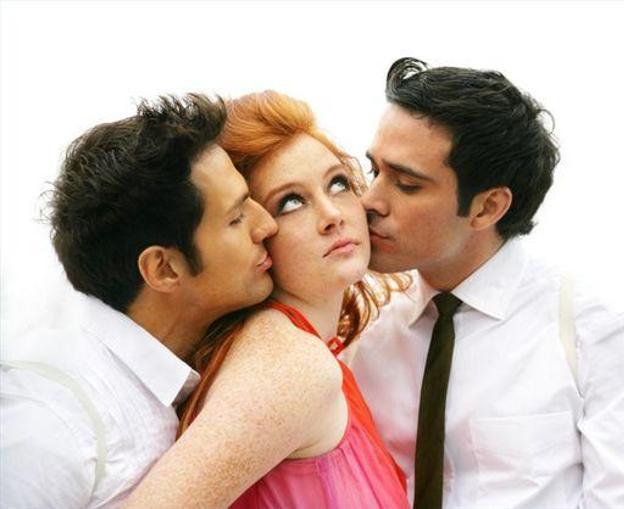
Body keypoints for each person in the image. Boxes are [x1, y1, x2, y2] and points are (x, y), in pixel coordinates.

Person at [350, 57, 624, 509]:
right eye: (374, 171)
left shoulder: (603, 336)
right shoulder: (367, 338)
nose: (369, 201)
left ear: (487, 207)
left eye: (406, 184)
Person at [124, 91, 410, 509]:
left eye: (338, 183)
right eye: (291, 202)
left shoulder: (304, 352)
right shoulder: (291, 365)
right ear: (253, 232)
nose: (332, 214)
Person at [0, 94, 278, 508]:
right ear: (163, 269)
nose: (267, 225)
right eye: (236, 218)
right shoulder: (54, 424)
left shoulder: (179, 379)